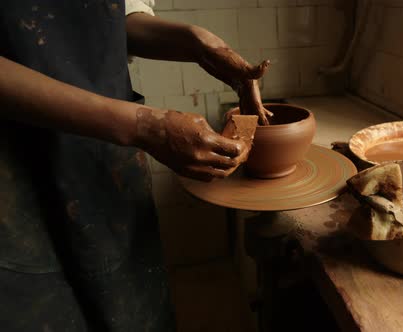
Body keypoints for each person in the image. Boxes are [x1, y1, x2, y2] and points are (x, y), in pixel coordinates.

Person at [0, 0, 269, 330]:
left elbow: (114, 21)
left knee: (128, 306)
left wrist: (197, 42)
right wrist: (142, 126)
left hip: (103, 157)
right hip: (14, 172)